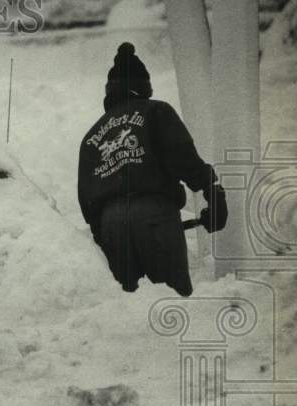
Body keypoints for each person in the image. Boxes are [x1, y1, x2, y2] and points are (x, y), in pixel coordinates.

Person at [77, 42, 227, 297]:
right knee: (172, 303)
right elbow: (182, 157)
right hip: (155, 215)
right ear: (143, 87)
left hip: (111, 225)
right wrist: (212, 191)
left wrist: (102, 235)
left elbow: (86, 196)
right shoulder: (155, 111)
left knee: (130, 310)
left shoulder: (91, 137)